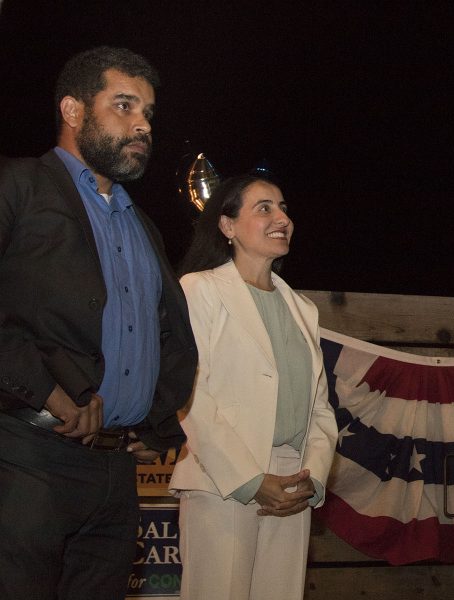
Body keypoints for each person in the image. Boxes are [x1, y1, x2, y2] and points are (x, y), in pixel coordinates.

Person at [0, 47, 197, 599]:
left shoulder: (143, 226)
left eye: (149, 114)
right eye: (124, 105)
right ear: (73, 110)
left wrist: (155, 418)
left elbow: (164, 335)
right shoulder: (18, 187)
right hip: (26, 459)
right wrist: (47, 391)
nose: (142, 125)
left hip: (117, 474)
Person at [169, 175, 338, 600]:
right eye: (264, 208)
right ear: (227, 227)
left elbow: (320, 409)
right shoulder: (198, 290)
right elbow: (191, 396)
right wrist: (249, 479)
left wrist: (312, 478)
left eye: (283, 207)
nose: (282, 217)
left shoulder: (304, 309)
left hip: (291, 483)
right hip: (221, 479)